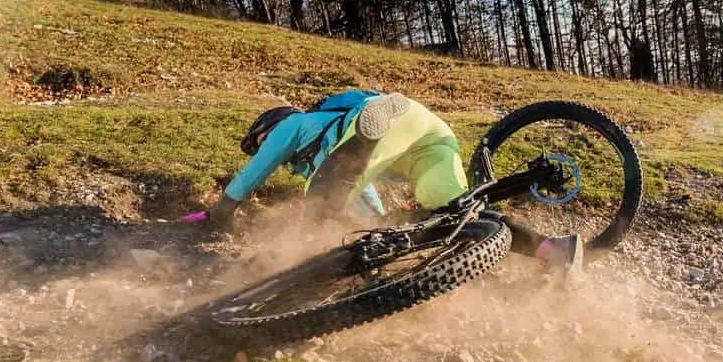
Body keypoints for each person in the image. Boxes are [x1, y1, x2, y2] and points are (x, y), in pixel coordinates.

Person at [183, 90, 583, 279]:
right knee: (454, 215)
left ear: (268, 127)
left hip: (379, 121)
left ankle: (289, 272)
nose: (261, 150)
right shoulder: (335, 159)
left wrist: (221, 212)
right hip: (428, 136)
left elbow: (254, 174)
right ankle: (555, 250)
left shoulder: (293, 125)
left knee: (320, 195)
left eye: (258, 142)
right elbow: (366, 207)